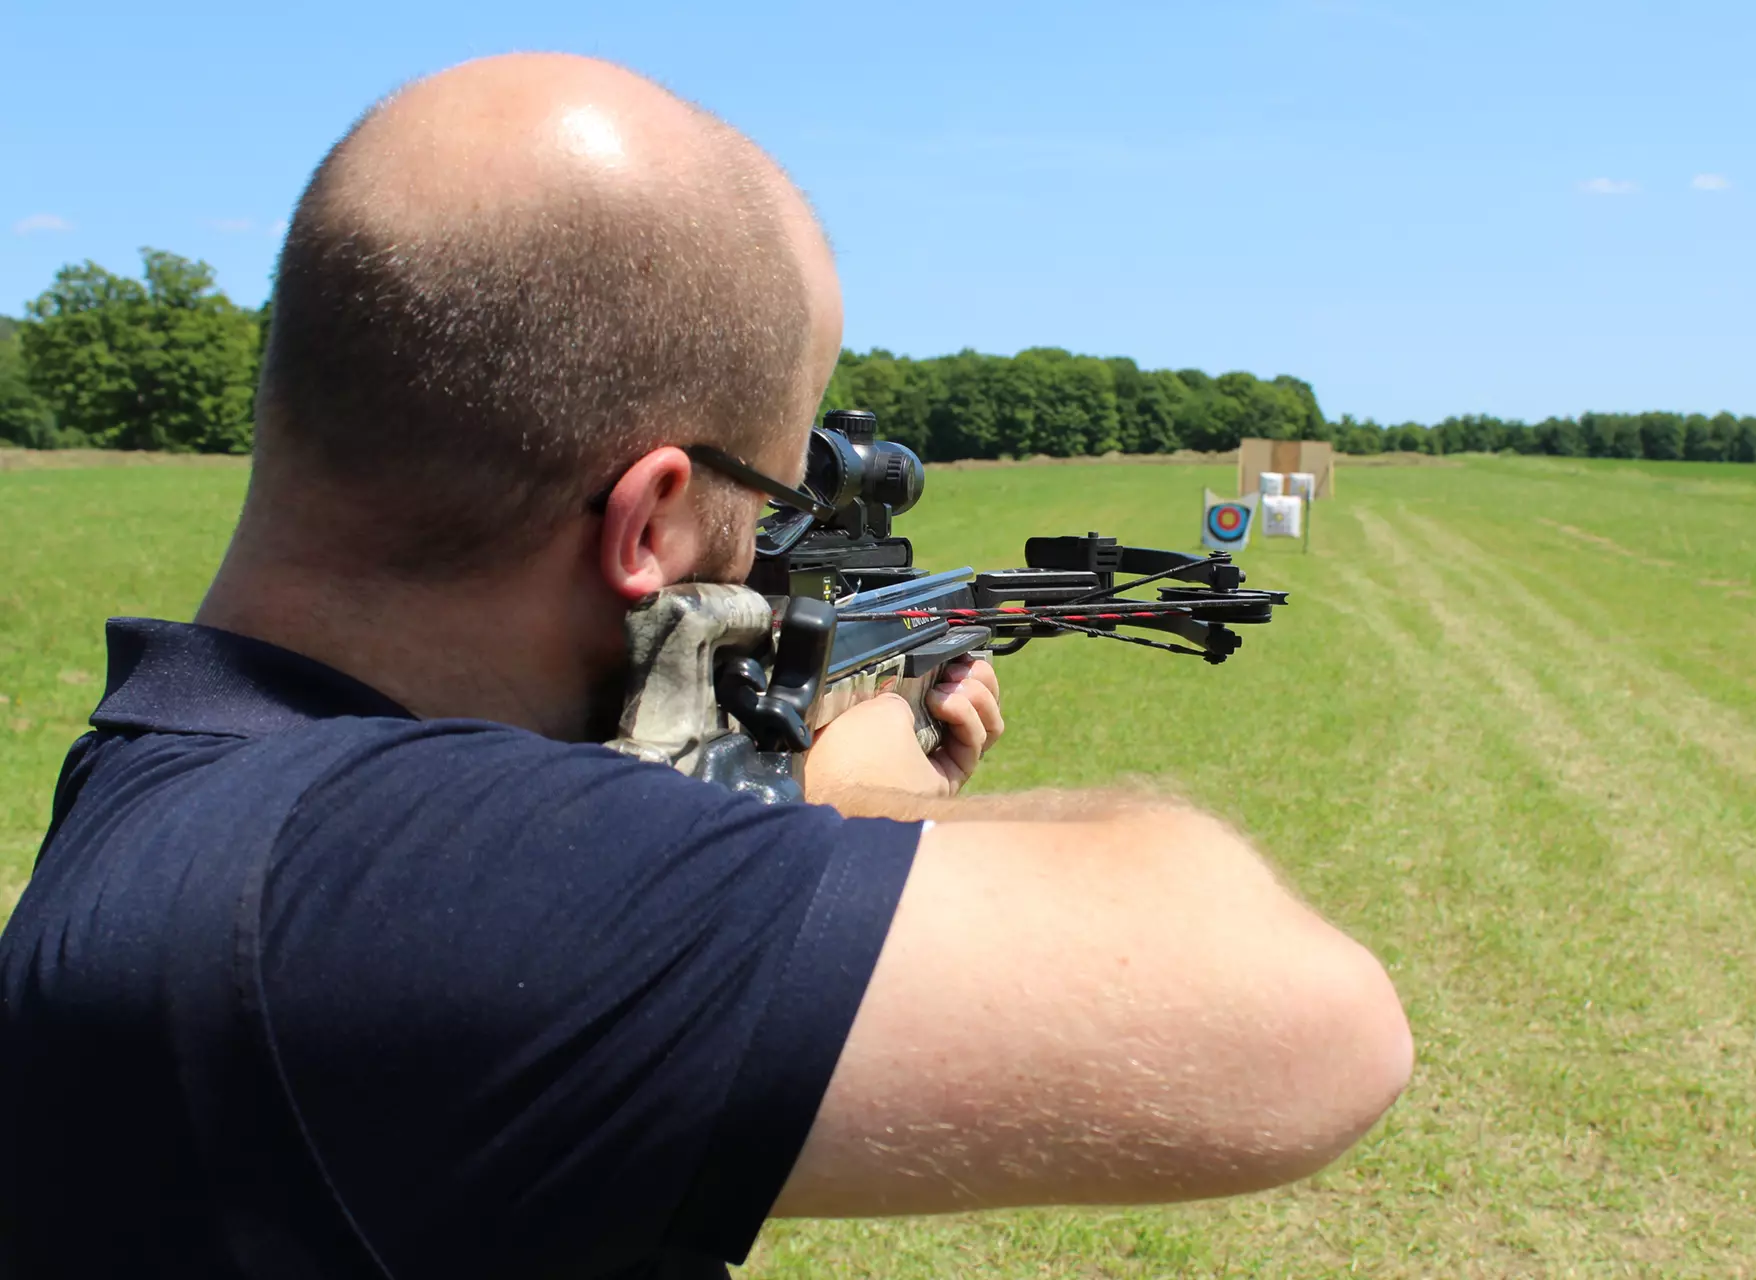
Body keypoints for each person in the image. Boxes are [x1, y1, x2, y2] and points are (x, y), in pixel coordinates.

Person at [0, 53, 1411, 1280]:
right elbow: (1313, 1030)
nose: (764, 555)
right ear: (654, 520)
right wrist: (860, 777)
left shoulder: (203, 799)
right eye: (764, 507)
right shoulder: (393, 883)